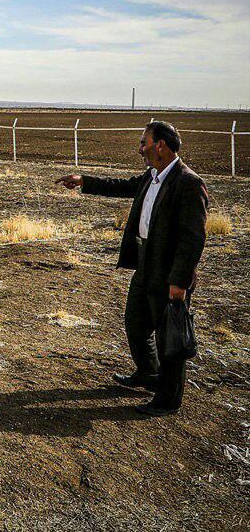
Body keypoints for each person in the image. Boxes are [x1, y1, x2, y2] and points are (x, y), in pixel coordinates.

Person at [55, 120, 208, 416]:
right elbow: (121, 186)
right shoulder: (152, 176)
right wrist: (84, 181)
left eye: (143, 143)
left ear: (160, 145)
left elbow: (193, 239)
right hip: (145, 262)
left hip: (169, 272)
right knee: (136, 323)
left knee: (169, 338)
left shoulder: (188, 183)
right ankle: (148, 374)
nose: (140, 148)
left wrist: (179, 282)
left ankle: (168, 400)